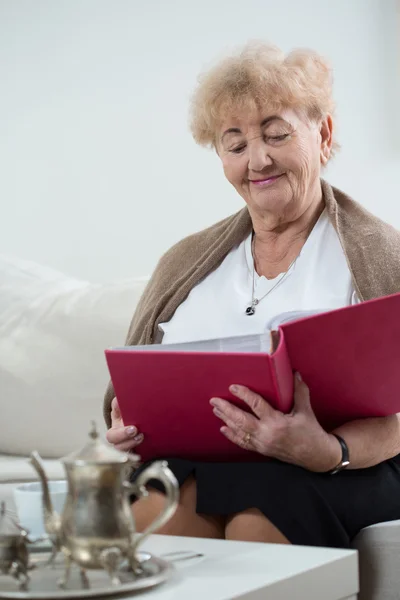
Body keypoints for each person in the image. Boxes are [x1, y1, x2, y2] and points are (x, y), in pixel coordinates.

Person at [104, 42, 400, 548]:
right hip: (194, 461)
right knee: (157, 516)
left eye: (276, 135)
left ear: (323, 134)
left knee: (257, 521)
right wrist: (125, 423)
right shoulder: (184, 261)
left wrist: (331, 451)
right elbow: (123, 393)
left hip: (339, 466)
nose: (258, 159)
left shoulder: (382, 256)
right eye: (235, 145)